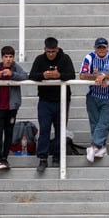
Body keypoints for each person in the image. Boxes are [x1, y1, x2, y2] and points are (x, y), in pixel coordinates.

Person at [27, 36, 76, 172]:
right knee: (44, 129)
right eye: (48, 52)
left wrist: (58, 75)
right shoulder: (39, 59)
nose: (51, 54)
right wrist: (44, 75)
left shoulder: (65, 58)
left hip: (62, 100)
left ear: (57, 49)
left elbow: (72, 75)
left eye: (53, 52)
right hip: (45, 101)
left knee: (61, 130)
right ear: (44, 49)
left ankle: (57, 155)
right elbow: (32, 76)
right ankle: (43, 158)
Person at [79, 36, 109, 163]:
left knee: (104, 122)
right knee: (94, 123)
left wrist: (105, 76)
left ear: (107, 48)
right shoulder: (89, 57)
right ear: (95, 48)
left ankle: (94, 147)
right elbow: (82, 74)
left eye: (103, 47)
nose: (101, 50)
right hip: (92, 95)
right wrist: (97, 77)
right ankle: (101, 148)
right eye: (99, 47)